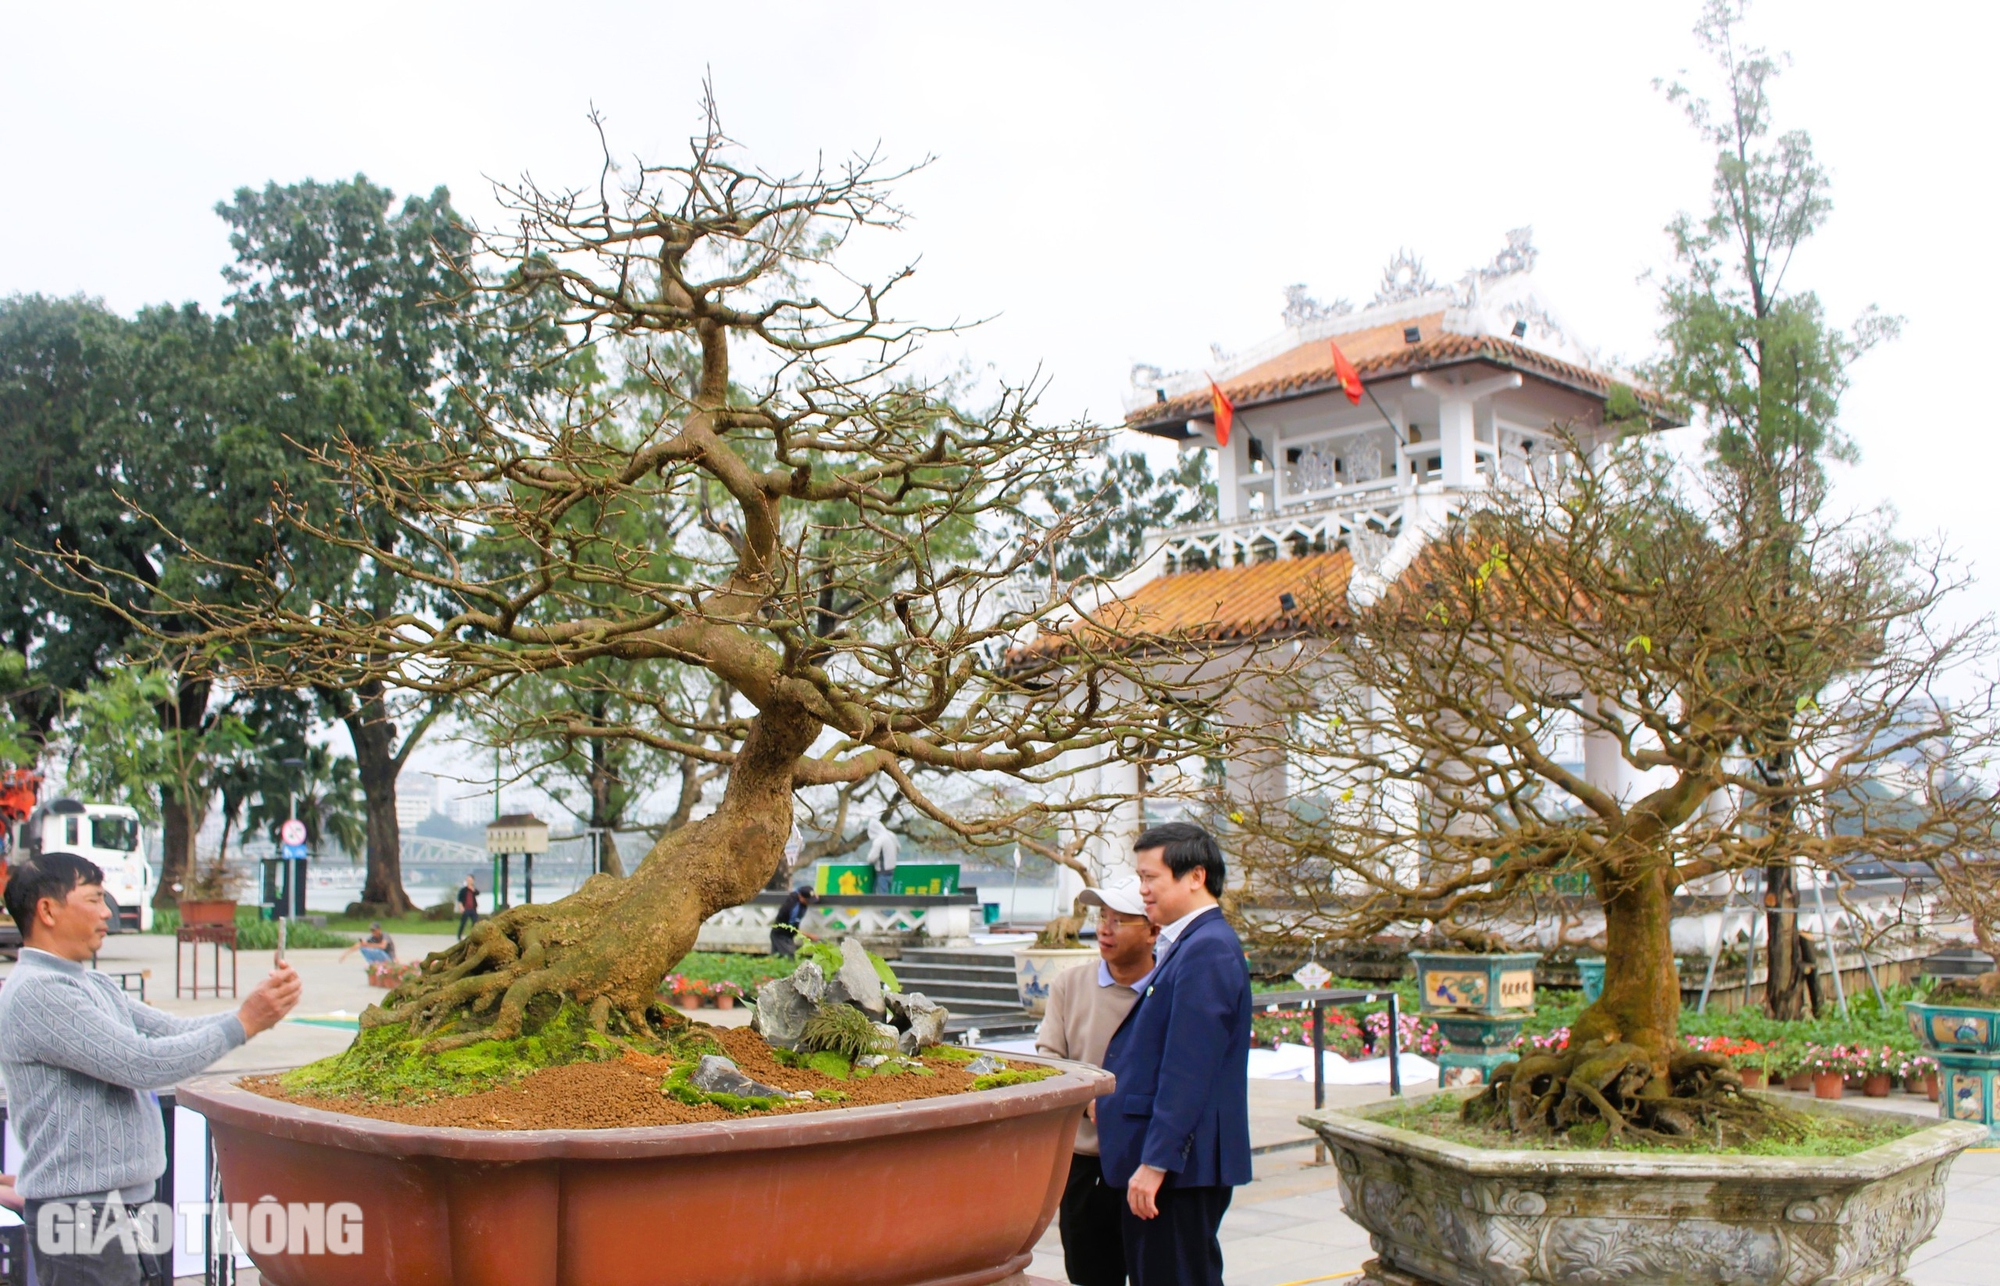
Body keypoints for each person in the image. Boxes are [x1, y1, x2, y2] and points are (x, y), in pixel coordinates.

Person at [0, 851, 301, 1286]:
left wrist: (253, 1011)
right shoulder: (39, 993)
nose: (108, 912)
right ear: (48, 910)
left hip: (122, 1208)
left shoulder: (90, 983)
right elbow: (142, 1064)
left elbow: (169, 1033)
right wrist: (245, 1022)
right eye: (94, 899)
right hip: (84, 1217)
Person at [1095, 822, 1252, 1286]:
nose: (1141, 890)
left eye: (1150, 878)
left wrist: (1155, 1162)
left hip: (1180, 1170)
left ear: (1195, 877)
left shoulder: (1208, 949)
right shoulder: (1188, 942)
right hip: (1177, 1165)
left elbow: (1188, 1069)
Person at [1035, 879, 1160, 1286]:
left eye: (1120, 921)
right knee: (1089, 1274)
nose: (1105, 929)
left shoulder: (1168, 991)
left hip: (1149, 1165)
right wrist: (1090, 1101)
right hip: (1085, 1162)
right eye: (1102, 918)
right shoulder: (1069, 985)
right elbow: (1049, 1060)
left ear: (1153, 930)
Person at [770, 885, 814, 957]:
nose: (809, 903)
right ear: (801, 897)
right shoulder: (794, 909)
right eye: (807, 900)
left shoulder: (796, 894)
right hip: (781, 935)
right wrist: (810, 936)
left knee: (777, 958)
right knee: (789, 958)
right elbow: (793, 929)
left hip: (783, 934)